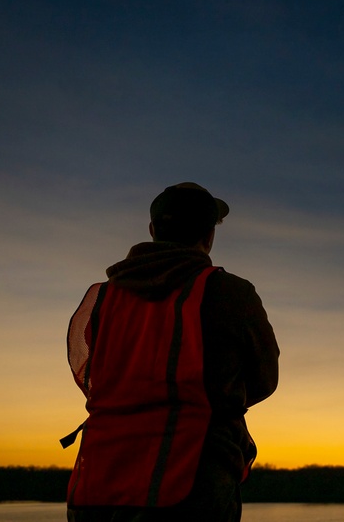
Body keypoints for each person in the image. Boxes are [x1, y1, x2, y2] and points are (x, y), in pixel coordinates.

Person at [65, 182, 279, 522]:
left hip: (97, 482)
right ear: (209, 236)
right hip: (192, 482)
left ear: (152, 230)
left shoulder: (103, 298)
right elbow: (264, 381)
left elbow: (90, 376)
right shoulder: (230, 292)